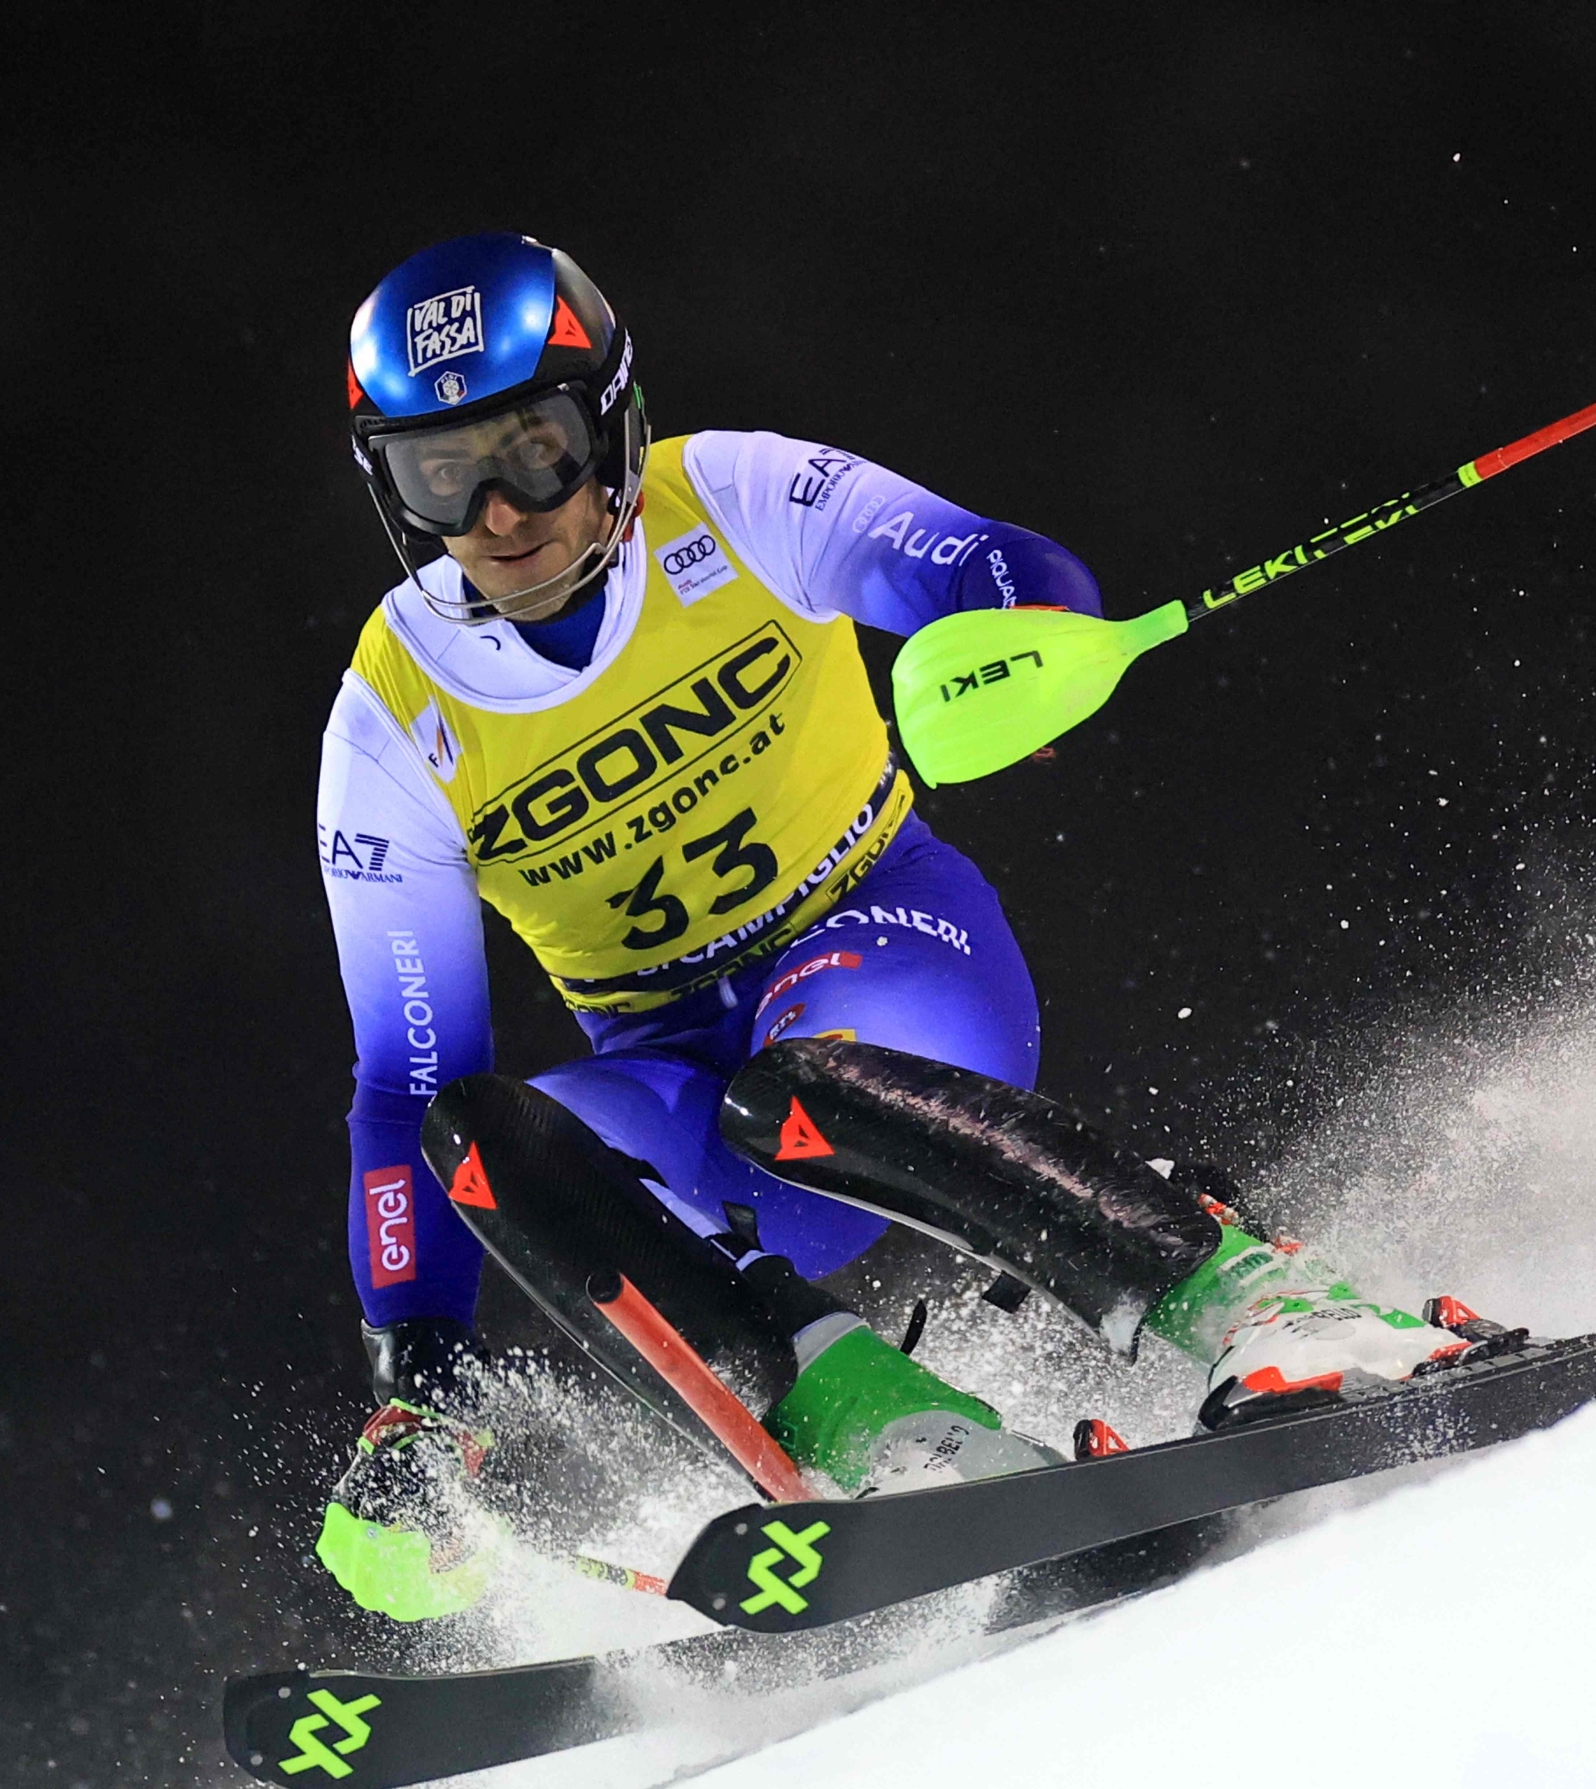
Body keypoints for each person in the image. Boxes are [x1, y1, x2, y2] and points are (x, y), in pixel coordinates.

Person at [315, 234, 1514, 1619]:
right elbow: (406, 1085)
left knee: (791, 1084)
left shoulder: (737, 497)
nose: (501, 513)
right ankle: (892, 1436)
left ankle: (1266, 1300)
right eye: (440, 474)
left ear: (611, 422)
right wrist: (416, 1375)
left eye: (532, 448)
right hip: (681, 1085)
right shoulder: (393, 720)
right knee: (485, 1138)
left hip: (885, 946)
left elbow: (993, 564)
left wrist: (1021, 638)